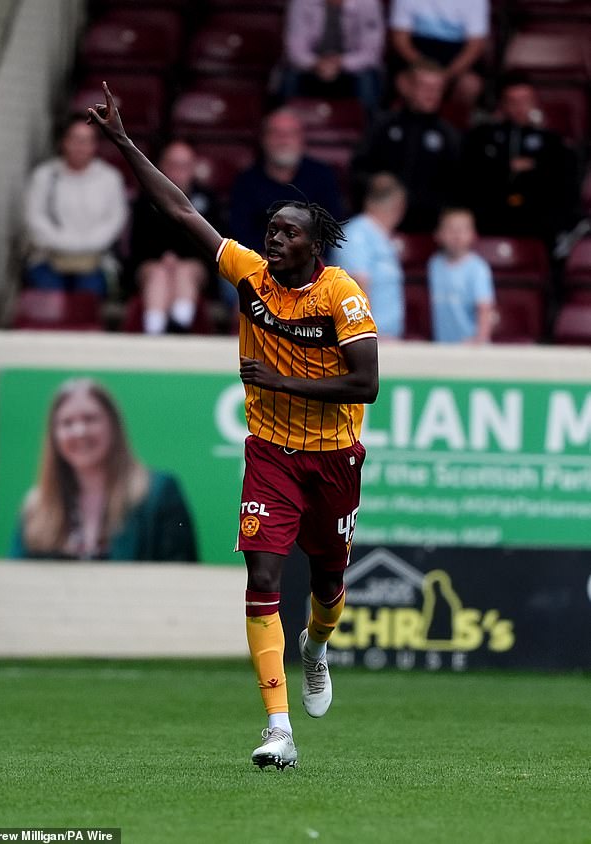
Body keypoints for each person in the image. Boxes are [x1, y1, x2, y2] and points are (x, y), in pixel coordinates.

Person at [88, 82, 378, 769]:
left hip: (334, 454)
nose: (271, 240)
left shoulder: (342, 294)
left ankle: (317, 648)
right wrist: (126, 143)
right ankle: (278, 726)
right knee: (263, 569)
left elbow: (366, 382)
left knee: (330, 586)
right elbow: (181, 209)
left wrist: (281, 379)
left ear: (314, 245)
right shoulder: (250, 275)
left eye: (286, 233)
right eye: (270, 230)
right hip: (271, 452)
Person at [11, 378, 198, 562]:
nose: (80, 431)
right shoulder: (35, 507)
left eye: (90, 419)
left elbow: (181, 580)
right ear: (54, 436)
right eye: (67, 423)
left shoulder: (157, 494)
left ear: (114, 425)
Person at [462, 73, 582, 249]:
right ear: (502, 104)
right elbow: (474, 175)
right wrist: (507, 166)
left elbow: (562, 179)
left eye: (525, 100)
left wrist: (532, 166)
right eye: (512, 101)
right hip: (493, 214)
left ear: (535, 102)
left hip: (537, 216)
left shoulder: (552, 141)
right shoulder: (482, 136)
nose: (519, 107)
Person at [23, 114, 128, 297]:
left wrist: (85, 245)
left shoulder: (110, 178)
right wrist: (64, 243)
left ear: (95, 145)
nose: (80, 146)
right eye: (75, 139)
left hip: (96, 259)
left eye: (86, 141)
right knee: (47, 295)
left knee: (89, 294)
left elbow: (115, 220)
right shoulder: (44, 176)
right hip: (49, 257)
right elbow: (35, 218)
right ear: (64, 142)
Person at [351, 61, 461, 232]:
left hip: (429, 225)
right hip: (381, 220)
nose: (432, 94)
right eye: (425, 86)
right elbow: (357, 170)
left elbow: (456, 188)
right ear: (407, 86)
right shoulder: (382, 125)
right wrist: (376, 180)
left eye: (438, 88)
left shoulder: (448, 134)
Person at [128, 140, 223, 334]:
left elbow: (213, 243)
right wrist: (164, 256)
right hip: (152, 264)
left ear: (193, 167)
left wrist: (177, 258)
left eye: (185, 165)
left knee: (184, 271)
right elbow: (138, 242)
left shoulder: (207, 199)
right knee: (159, 274)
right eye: (173, 164)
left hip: (195, 267)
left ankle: (180, 325)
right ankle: (154, 331)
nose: (179, 171)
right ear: (161, 166)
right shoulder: (146, 198)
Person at [230, 108, 344, 254]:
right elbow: (240, 235)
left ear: (301, 140)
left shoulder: (322, 176)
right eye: (276, 133)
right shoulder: (246, 183)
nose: (283, 140)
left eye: (291, 134)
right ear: (263, 140)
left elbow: (331, 229)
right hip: (259, 265)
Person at [278, 0, 385, 118]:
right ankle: (284, 125)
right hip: (313, 65)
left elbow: (371, 53)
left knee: (368, 79)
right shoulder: (301, 2)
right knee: (291, 75)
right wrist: (317, 63)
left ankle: (371, 129)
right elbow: (295, 51)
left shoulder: (369, 3)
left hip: (351, 67)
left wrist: (340, 63)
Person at [332, 172, 407, 340]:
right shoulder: (357, 234)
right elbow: (358, 285)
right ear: (399, 206)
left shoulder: (382, 236)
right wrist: (367, 335)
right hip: (367, 340)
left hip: (388, 339)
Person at [389, 0, 489, 107]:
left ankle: (453, 122)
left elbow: (475, 47)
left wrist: (447, 75)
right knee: (403, 82)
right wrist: (425, 70)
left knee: (470, 85)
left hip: (456, 63)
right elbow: (400, 40)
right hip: (416, 60)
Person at [428, 208, 495, 343]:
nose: (457, 235)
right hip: (441, 345)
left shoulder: (478, 268)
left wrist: (479, 341)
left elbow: (485, 309)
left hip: (470, 344)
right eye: (451, 230)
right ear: (438, 234)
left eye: (463, 230)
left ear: (473, 235)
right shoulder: (434, 265)